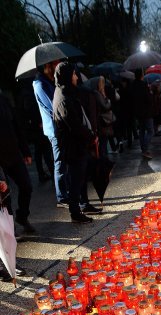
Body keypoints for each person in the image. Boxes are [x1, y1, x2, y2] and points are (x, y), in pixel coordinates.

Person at [53, 62, 98, 224]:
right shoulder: (64, 98)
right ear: (66, 76)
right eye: (73, 74)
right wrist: (90, 136)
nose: (76, 77)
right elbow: (74, 125)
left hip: (77, 144)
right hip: (73, 146)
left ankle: (83, 205)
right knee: (75, 179)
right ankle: (75, 212)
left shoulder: (68, 93)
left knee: (81, 176)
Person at [33, 60, 69, 206]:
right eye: (54, 65)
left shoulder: (48, 81)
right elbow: (52, 105)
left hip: (57, 126)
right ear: (47, 67)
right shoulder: (40, 84)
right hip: (54, 128)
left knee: (63, 160)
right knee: (59, 161)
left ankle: (66, 192)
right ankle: (61, 196)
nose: (56, 67)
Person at [0, 92, 34, 234]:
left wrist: (25, 151)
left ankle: (22, 216)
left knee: (27, 186)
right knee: (4, 194)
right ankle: (10, 230)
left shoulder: (3, 99)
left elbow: (16, 125)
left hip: (13, 153)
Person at [85, 76, 115, 158]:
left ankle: (104, 159)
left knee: (104, 142)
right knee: (103, 142)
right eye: (102, 83)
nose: (104, 85)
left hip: (101, 121)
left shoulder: (97, 93)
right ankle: (104, 161)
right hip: (101, 122)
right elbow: (105, 106)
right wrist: (108, 100)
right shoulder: (97, 93)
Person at [131, 69, 154, 160]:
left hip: (138, 112)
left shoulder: (133, 85)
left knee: (141, 131)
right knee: (150, 131)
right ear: (141, 75)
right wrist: (150, 92)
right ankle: (145, 149)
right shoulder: (144, 85)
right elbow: (148, 99)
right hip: (146, 112)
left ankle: (143, 149)